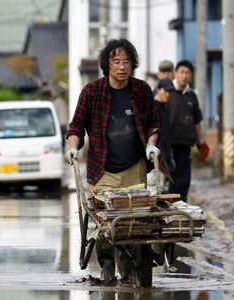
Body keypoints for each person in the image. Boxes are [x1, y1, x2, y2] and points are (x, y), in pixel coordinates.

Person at [64, 38, 169, 284]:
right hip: (103, 171)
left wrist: (152, 143)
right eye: (116, 62)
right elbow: (76, 127)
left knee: (133, 220)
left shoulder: (141, 90)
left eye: (127, 62)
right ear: (106, 65)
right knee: (106, 220)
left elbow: (154, 123)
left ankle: (130, 265)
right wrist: (72, 147)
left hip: (135, 168)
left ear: (133, 65)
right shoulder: (92, 92)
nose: (122, 67)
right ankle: (107, 261)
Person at [167, 60, 208, 202]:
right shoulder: (166, 92)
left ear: (191, 76)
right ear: (176, 74)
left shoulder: (192, 96)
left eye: (187, 73)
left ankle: (182, 211)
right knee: (169, 180)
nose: (184, 76)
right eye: (182, 72)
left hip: (185, 144)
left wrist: (200, 141)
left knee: (184, 180)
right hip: (168, 145)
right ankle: (167, 212)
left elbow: (197, 121)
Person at [155, 78, 176, 174]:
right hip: (154, 156)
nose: (168, 94)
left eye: (170, 91)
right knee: (154, 188)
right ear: (158, 90)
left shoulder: (165, 108)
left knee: (162, 187)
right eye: (165, 91)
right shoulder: (152, 107)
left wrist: (169, 158)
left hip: (165, 155)